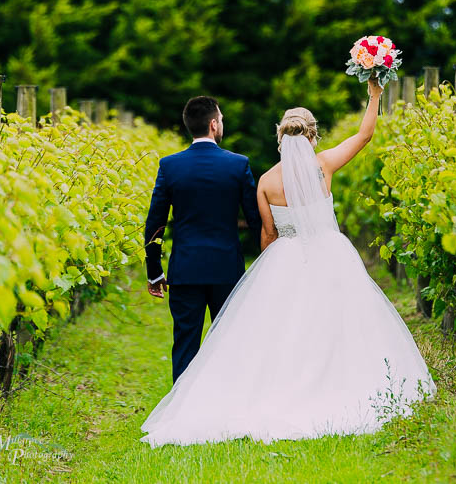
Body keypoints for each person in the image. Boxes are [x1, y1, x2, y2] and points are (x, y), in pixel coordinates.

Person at [141, 78, 436, 447]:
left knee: (266, 334)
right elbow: (363, 136)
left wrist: (270, 269)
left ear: (280, 137)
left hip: (257, 260)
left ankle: (199, 402)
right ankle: (333, 384)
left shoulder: (264, 180)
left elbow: (266, 233)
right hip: (326, 257)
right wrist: (375, 95)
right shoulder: (320, 165)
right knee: (335, 327)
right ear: (312, 136)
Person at [143, 95, 261, 383]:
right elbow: (256, 219)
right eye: (220, 120)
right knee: (229, 343)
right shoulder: (238, 165)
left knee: (185, 344)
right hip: (227, 270)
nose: (222, 124)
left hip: (185, 270)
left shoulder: (170, 166)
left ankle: (182, 418)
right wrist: (265, 260)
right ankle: (226, 409)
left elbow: (155, 224)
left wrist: (154, 272)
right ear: (212, 124)